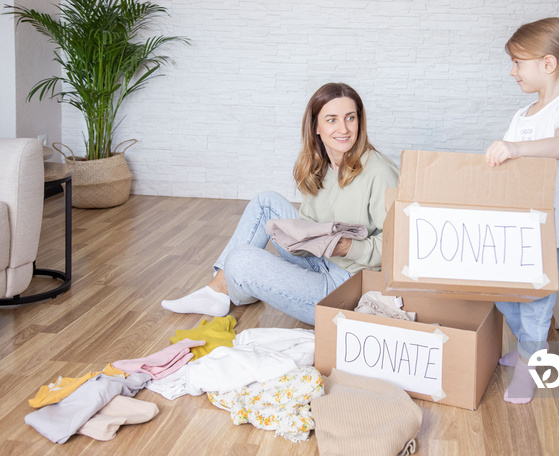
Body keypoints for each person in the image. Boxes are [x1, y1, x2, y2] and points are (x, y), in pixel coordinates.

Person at [161, 83, 399, 325]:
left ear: (360, 121)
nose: (344, 129)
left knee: (241, 260)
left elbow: (398, 249)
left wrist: (348, 247)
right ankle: (220, 289)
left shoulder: (379, 171)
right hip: (322, 259)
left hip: (348, 285)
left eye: (350, 118)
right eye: (332, 120)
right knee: (265, 202)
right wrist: (294, 237)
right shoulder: (323, 165)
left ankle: (232, 286)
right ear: (315, 127)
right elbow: (311, 226)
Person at [485, 17, 559, 404]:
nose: (512, 70)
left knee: (536, 304)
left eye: (519, 62)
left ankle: (530, 362)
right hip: (519, 229)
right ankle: (528, 348)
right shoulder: (522, 116)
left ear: (548, 64)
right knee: (504, 296)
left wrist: (516, 149)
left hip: (555, 231)